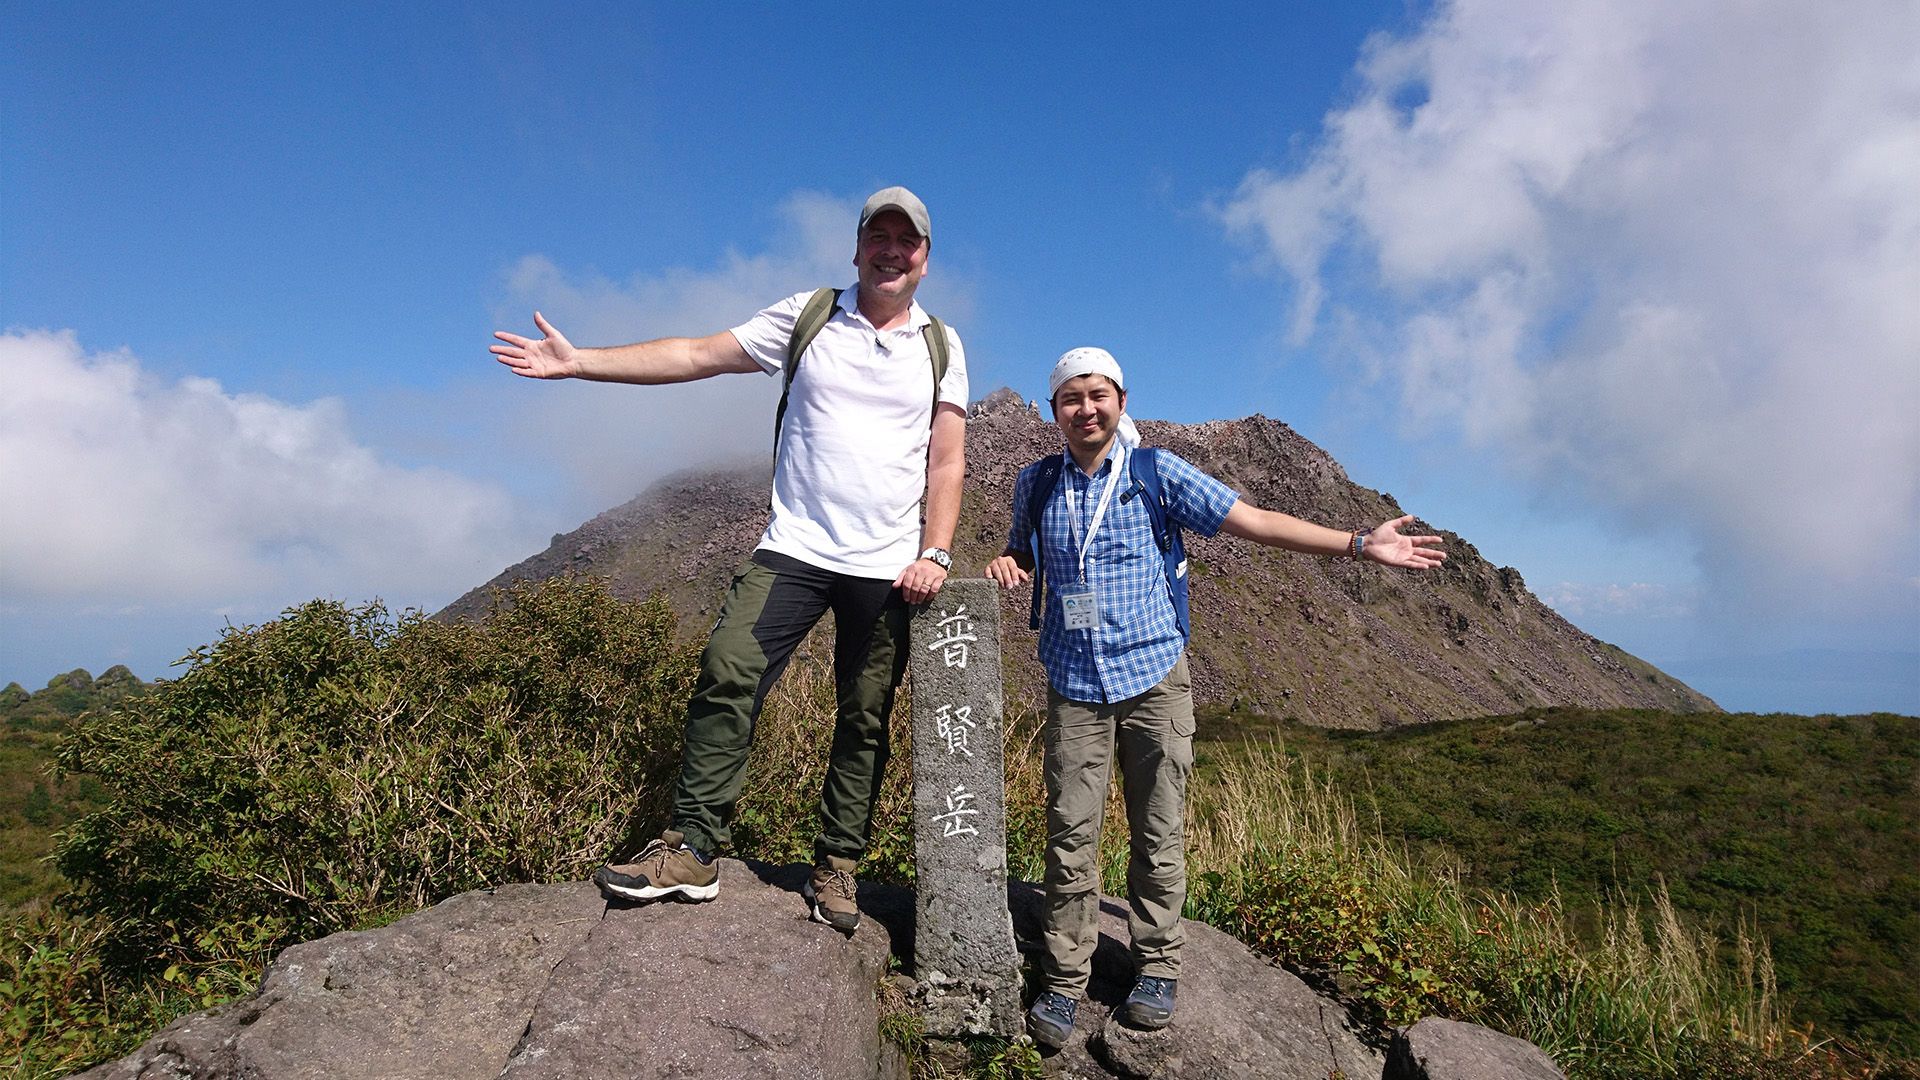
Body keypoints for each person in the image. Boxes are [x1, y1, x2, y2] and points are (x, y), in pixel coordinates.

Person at [491, 187, 967, 935]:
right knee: (727, 670)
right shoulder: (808, 316)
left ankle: (838, 867)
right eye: (879, 236)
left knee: (864, 717)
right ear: (857, 248)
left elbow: (947, 461)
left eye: (906, 242)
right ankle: (691, 851)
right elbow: (695, 354)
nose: (891, 251)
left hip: (884, 566)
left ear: (925, 260)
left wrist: (935, 550)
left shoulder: (942, 344)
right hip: (795, 549)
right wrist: (581, 363)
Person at [984, 348, 1445, 1045]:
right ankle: (1066, 978)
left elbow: (1254, 521)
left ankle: (1157, 966)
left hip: (1153, 680)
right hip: (1074, 684)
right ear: (1054, 410)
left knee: (1158, 833)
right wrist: (1008, 560)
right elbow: (1022, 550)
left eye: (1098, 395)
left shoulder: (1155, 473)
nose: (1086, 409)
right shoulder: (1036, 482)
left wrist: (1358, 543)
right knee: (1070, 836)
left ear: (1120, 399)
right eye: (1071, 398)